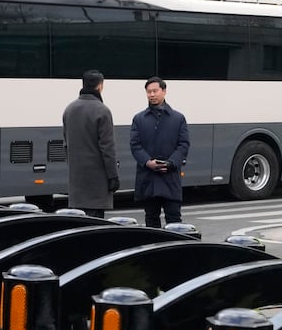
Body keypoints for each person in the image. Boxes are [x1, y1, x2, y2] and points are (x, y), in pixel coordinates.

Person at [130, 77, 190, 227]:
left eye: (155, 91)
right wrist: (147, 162)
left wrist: (171, 163)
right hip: (148, 178)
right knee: (151, 218)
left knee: (174, 218)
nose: (152, 95)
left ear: (164, 91)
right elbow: (135, 145)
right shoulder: (139, 119)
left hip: (170, 177)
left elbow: (183, 144)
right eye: (148, 92)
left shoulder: (178, 118)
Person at [62, 69, 119, 217]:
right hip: (97, 181)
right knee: (95, 224)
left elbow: (65, 144)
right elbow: (107, 148)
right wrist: (113, 176)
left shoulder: (69, 109)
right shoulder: (102, 110)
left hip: (76, 180)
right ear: (100, 86)